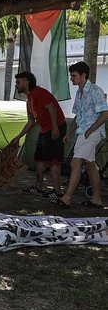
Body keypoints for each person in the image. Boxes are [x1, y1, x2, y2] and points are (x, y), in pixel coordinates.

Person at [52, 61, 108, 208]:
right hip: (83, 132)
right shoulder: (79, 92)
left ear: (83, 75)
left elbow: (105, 113)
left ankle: (67, 198)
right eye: (71, 75)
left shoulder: (95, 90)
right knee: (90, 165)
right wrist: (69, 132)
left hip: (91, 133)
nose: (71, 78)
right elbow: (78, 116)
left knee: (75, 163)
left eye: (74, 76)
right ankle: (96, 199)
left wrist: (91, 130)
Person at [10, 71, 66, 199]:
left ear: (26, 82)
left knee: (54, 160)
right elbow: (31, 121)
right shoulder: (29, 99)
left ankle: (57, 191)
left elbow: (51, 108)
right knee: (39, 158)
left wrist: (55, 127)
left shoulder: (39, 93)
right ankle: (39, 187)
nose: (16, 85)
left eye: (18, 82)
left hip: (55, 128)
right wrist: (18, 136)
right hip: (45, 130)